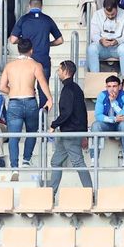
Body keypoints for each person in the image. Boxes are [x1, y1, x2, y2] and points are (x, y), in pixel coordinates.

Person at [0, 35, 50, 179]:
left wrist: (13, 92)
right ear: (31, 51)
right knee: (31, 132)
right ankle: (26, 160)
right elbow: (43, 84)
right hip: (30, 101)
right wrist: (50, 99)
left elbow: (2, 87)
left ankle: (15, 168)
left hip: (14, 102)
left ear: (18, 50)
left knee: (14, 137)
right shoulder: (35, 65)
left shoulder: (10, 66)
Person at [46, 60, 92, 191]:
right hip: (71, 132)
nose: (58, 72)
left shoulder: (68, 89)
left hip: (70, 132)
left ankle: (89, 192)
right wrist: (84, 133)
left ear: (66, 71)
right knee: (56, 162)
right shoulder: (76, 88)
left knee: (78, 162)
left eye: (59, 70)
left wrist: (53, 125)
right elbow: (83, 112)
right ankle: (51, 192)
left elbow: (66, 112)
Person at [93, 73, 124, 166]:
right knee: (96, 125)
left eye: (114, 86)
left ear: (120, 86)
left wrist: (113, 102)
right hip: (110, 123)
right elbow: (98, 115)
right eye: (109, 86)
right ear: (106, 87)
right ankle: (94, 159)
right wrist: (113, 119)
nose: (111, 89)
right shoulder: (102, 95)